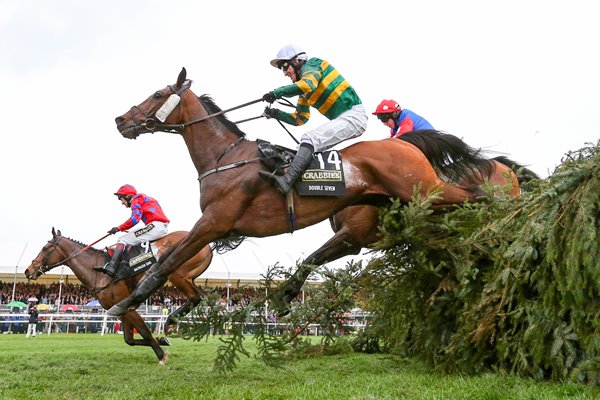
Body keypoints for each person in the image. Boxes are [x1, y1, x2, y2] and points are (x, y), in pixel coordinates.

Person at [260, 44, 368, 194]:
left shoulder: (313, 64)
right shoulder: (303, 89)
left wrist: (277, 93)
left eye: (285, 67)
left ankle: (287, 181)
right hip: (346, 118)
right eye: (282, 69)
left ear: (298, 61)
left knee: (309, 139)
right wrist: (275, 113)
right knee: (300, 150)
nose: (284, 73)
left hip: (354, 115)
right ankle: (308, 188)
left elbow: (307, 85)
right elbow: (300, 118)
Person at [94, 184, 170, 278]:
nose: (121, 202)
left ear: (127, 195)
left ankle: (112, 267)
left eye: (121, 199)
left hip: (155, 226)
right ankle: (125, 264)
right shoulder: (144, 198)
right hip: (158, 226)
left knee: (122, 240)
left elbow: (134, 219)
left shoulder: (136, 199)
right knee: (130, 240)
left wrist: (118, 228)